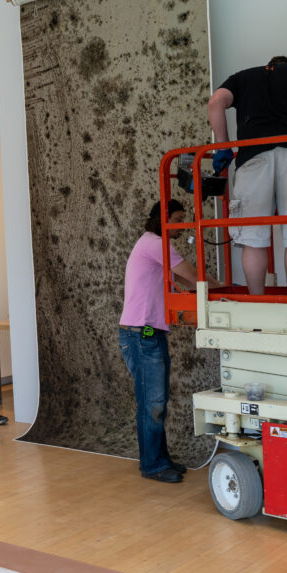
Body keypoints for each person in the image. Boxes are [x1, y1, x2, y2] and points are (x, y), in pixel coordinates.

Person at [208, 56, 287, 296]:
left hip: (253, 158)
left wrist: (223, 146)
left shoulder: (242, 76)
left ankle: (257, 300)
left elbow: (215, 102)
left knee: (253, 237)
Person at [118, 200, 217, 483]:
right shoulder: (155, 244)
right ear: (163, 220)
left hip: (148, 334)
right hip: (141, 335)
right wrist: (226, 290)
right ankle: (152, 465)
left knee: (157, 401)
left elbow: (186, 283)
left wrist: (213, 291)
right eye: (176, 221)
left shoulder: (153, 244)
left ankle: (159, 459)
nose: (178, 228)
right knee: (153, 402)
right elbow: (193, 277)